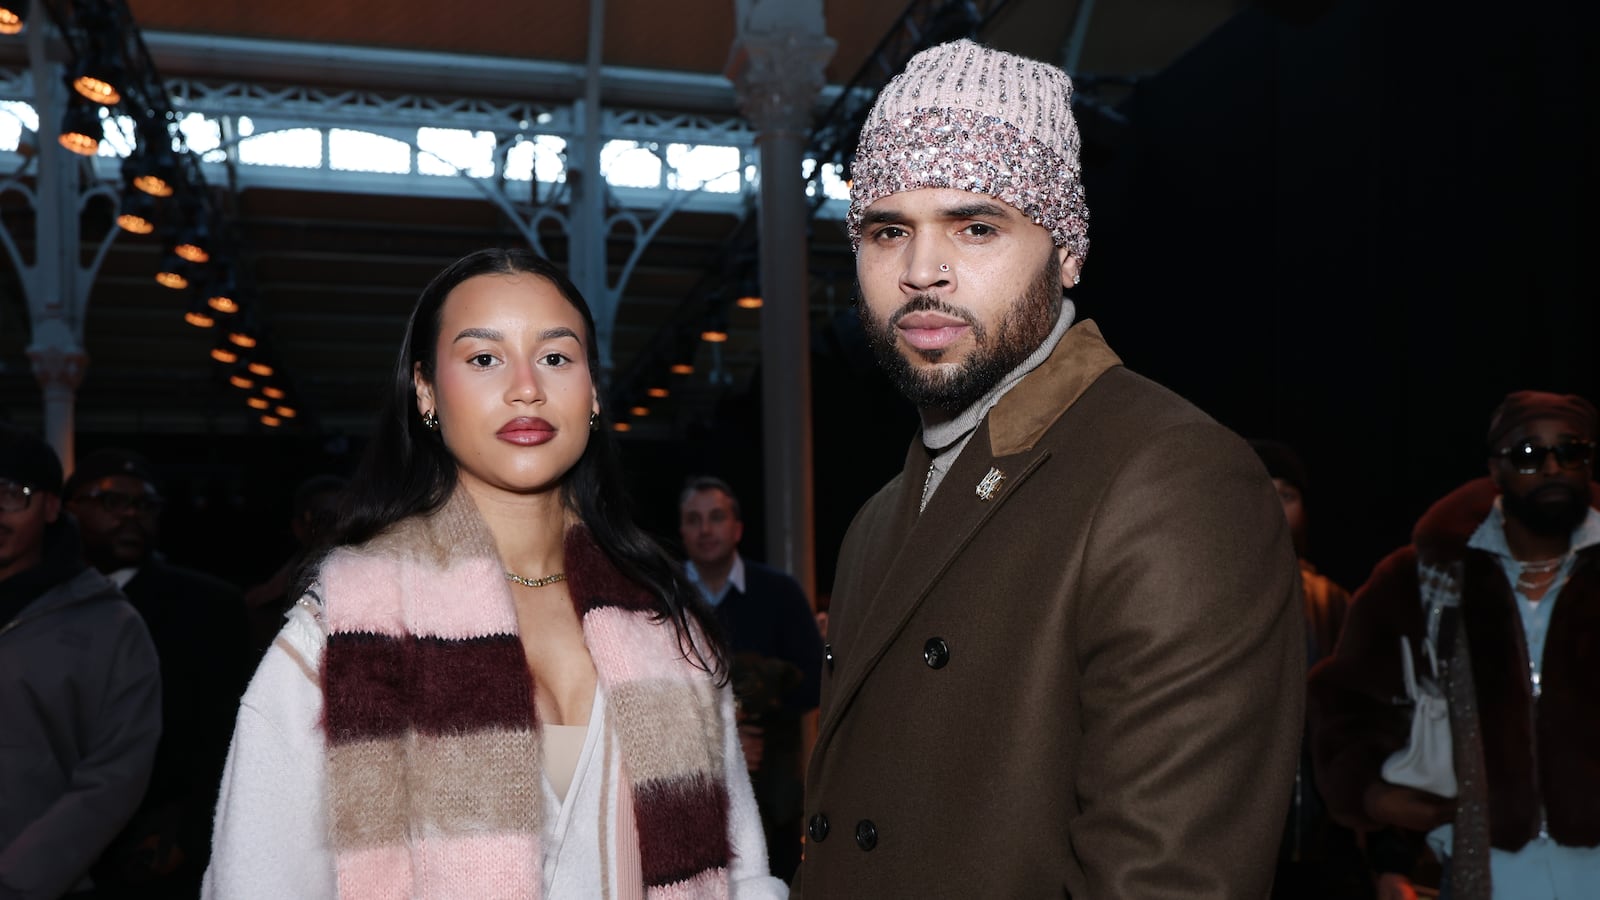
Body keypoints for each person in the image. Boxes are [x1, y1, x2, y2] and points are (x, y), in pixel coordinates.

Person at [795, 39, 1305, 897]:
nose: (922, 271)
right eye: (889, 230)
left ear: (1066, 251)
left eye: (976, 226)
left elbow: (1168, 881)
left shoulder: (1173, 478)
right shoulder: (877, 519)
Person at [204, 248, 785, 899]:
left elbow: (744, 876)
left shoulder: (665, 628)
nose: (526, 386)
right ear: (425, 390)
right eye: (484, 358)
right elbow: (253, 882)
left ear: (592, 391)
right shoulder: (343, 636)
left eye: (556, 357)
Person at [1309, 390, 1600, 900]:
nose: (1552, 466)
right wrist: (1372, 797)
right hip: (1481, 864)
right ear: (1496, 468)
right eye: (1529, 453)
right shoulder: (1420, 578)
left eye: (1570, 451)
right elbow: (1344, 701)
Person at [64, 448, 254, 898]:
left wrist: (187, 832)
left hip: (151, 847)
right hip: (41, 835)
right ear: (67, 511)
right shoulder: (36, 602)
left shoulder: (208, 606)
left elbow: (229, 730)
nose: (131, 515)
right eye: (112, 502)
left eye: (145, 505)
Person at [0, 423, 162, 898]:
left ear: (52, 507)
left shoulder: (109, 626)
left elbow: (116, 775)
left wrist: (17, 878)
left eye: (11, 494)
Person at [678, 476, 823, 881]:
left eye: (716, 517)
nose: (706, 529)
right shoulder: (663, 594)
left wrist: (762, 705)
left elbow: (815, 679)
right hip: (684, 786)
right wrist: (724, 732)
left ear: (737, 528)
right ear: (682, 531)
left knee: (770, 881)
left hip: (771, 792)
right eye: (694, 519)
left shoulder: (779, 592)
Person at [1251, 440, 1373, 899]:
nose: (1274, 506)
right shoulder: (1194, 596)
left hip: (1326, 843)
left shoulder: (1336, 602)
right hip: (1229, 842)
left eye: (1286, 495)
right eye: (1258, 489)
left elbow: (1364, 726)